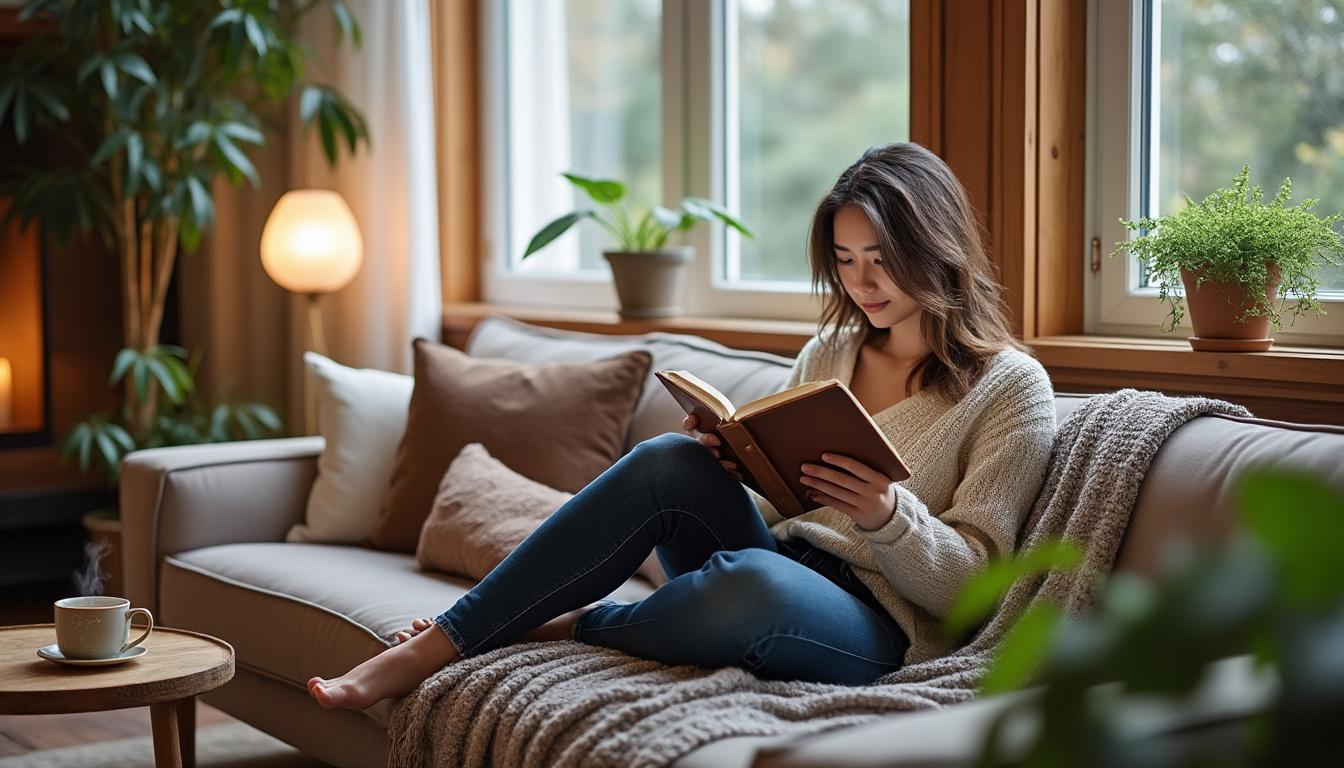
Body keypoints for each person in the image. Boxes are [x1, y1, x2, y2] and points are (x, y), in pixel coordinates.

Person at [308, 142, 1057, 710]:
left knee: (752, 585)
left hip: (875, 625)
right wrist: (741, 467)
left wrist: (889, 516)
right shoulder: (831, 351)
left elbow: (978, 589)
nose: (863, 285)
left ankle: (573, 624)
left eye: (883, 261)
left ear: (937, 248)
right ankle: (439, 643)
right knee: (670, 457)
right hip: (778, 557)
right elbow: (780, 510)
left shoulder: (1011, 388)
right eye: (846, 260)